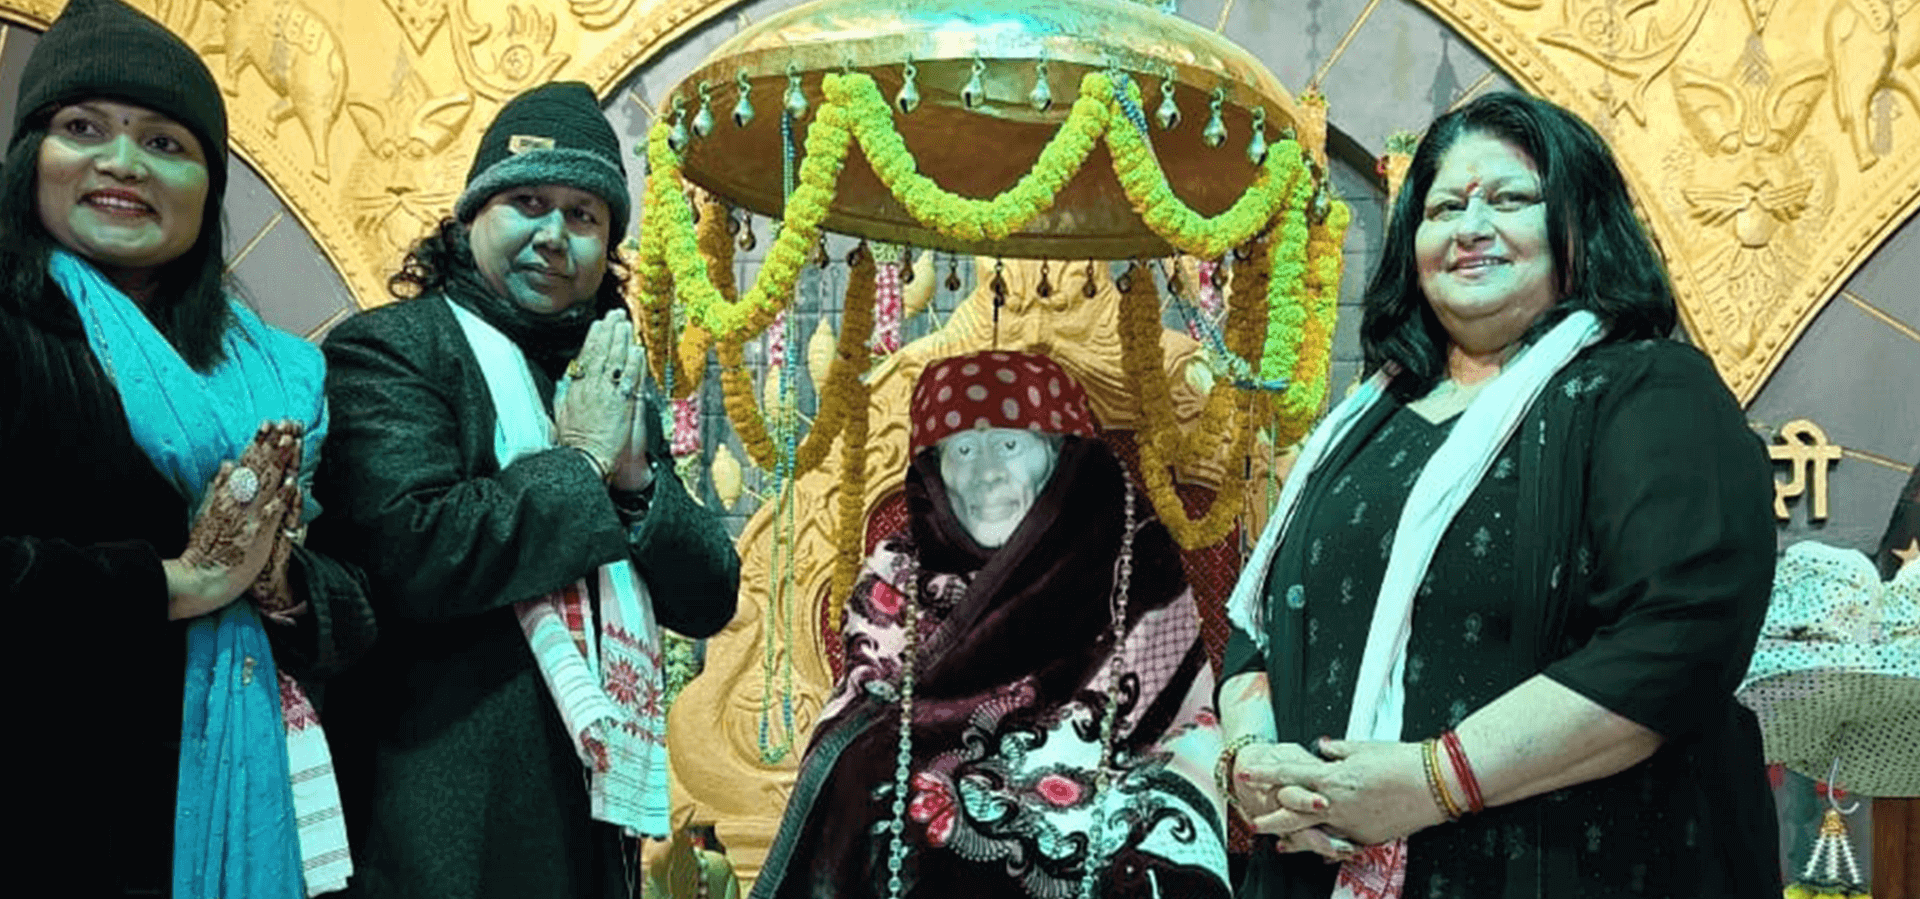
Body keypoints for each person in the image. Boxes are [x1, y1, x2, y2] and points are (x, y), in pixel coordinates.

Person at [1216, 91, 1780, 899]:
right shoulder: (1364, 421)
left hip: (1571, 867)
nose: (1471, 227)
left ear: (1580, 222)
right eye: (1445, 207)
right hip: (1315, 862)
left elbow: (1675, 638)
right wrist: (1252, 760)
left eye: (1510, 199)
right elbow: (1263, 622)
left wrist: (1432, 779)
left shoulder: (1647, 390)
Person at [313, 81, 740, 899]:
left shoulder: (601, 374)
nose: (553, 235)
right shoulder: (393, 350)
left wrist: (635, 481)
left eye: (583, 216)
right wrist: (581, 462)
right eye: (528, 203)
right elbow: (417, 551)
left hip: (587, 826)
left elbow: (709, 595)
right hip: (437, 828)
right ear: (471, 216)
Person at [0, 0, 373, 895]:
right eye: (83, 128)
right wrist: (178, 582)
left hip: (212, 808)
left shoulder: (277, 374)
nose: (123, 163)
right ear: (29, 158)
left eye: (164, 142)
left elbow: (362, 594)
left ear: (209, 188)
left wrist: (281, 580)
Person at [752, 351, 1232, 899]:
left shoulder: (1127, 553)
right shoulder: (898, 568)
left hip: (1103, 779)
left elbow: (1178, 723)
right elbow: (866, 717)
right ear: (934, 470)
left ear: (1057, 459)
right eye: (963, 451)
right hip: (926, 796)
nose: (985, 474)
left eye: (1008, 446)